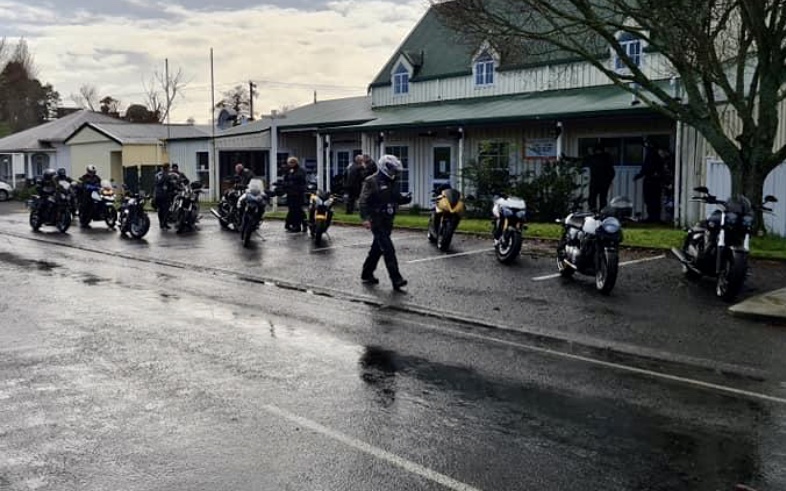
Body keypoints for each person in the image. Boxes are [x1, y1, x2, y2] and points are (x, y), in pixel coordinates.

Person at [358, 154, 412, 291]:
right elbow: (363, 201)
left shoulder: (392, 181)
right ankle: (396, 279)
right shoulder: (371, 181)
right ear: (385, 167)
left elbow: (395, 197)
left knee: (377, 248)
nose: (395, 172)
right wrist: (365, 218)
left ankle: (366, 273)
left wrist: (405, 199)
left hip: (388, 219)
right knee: (388, 249)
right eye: (393, 169)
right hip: (376, 219)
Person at [634, 142, 666, 223]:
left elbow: (647, 168)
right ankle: (654, 217)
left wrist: (640, 175)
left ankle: (653, 217)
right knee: (654, 199)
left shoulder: (651, 156)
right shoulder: (657, 157)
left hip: (651, 181)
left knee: (651, 199)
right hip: (655, 181)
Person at [585, 146, 615, 211]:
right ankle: (602, 212)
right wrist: (609, 181)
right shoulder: (607, 158)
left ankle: (593, 211)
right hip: (603, 182)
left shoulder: (593, 158)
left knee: (593, 199)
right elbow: (612, 172)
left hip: (596, 182)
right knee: (602, 199)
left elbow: (581, 160)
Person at [283, 156, 307, 232]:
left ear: (294, 163)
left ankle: (298, 226)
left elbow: (301, 180)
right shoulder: (288, 170)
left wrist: (291, 183)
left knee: (298, 210)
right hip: (290, 193)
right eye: (289, 163)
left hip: (298, 193)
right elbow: (285, 179)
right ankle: (290, 224)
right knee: (292, 210)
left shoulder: (300, 171)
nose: (289, 164)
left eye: (291, 163)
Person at [154, 163, 176, 230]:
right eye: (169, 168)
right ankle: (164, 224)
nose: (170, 169)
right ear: (166, 168)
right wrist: (177, 187)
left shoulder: (158, 175)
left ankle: (162, 224)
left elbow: (155, 183)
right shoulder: (167, 175)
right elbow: (171, 183)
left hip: (157, 194)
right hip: (164, 195)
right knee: (165, 210)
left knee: (160, 210)